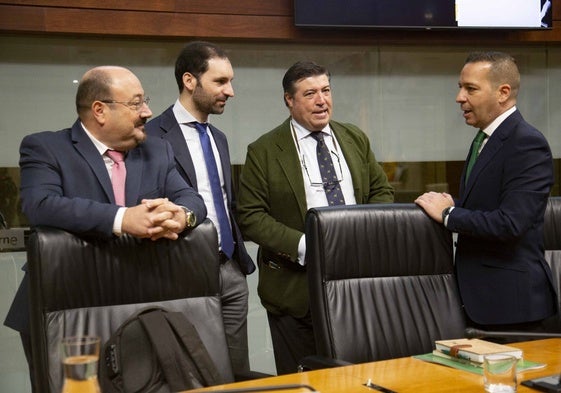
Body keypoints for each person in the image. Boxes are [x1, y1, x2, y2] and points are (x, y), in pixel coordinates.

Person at [4, 65, 207, 392]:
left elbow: (192, 198)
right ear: (100, 110)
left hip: (138, 305)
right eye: (136, 103)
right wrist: (122, 218)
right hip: (63, 307)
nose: (148, 112)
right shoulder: (46, 148)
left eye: (146, 101)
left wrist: (182, 215)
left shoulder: (157, 150)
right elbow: (39, 205)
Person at [236, 60, 394, 374]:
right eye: (310, 94)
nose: (322, 100)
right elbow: (250, 216)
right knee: (304, 379)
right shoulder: (264, 150)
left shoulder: (354, 138)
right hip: (295, 291)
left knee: (357, 375)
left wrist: (361, 235)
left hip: (356, 284)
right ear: (289, 101)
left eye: (325, 90)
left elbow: (382, 192)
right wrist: (308, 246)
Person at [415, 51, 557, 335]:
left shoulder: (527, 143)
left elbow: (510, 223)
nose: (459, 98)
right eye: (460, 87)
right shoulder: (484, 139)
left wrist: (449, 214)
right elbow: (487, 203)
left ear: (503, 93)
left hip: (513, 309)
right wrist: (455, 204)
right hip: (479, 303)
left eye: (471, 89)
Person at [145, 41, 256, 375]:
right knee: (194, 371)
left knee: (237, 372)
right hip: (182, 270)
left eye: (230, 81)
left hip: (230, 269)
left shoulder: (218, 138)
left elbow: (225, 200)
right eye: (220, 82)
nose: (230, 91)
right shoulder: (150, 136)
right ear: (190, 81)